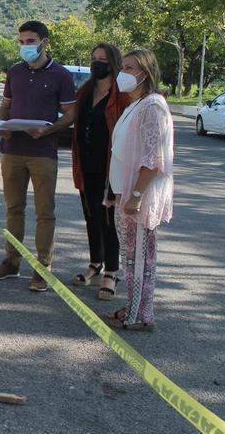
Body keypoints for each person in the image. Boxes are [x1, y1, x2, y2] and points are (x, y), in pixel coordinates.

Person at [0, 21, 77, 291]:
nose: (25, 46)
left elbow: (71, 114)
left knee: (44, 212)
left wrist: (49, 130)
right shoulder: (14, 73)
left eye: (30, 41)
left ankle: (43, 266)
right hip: (13, 151)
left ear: (44, 42)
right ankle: (11, 262)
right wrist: (3, 126)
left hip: (43, 153)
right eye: (22, 41)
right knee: (14, 209)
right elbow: (5, 108)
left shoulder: (61, 75)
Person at [104, 48, 173, 331]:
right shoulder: (136, 104)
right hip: (125, 194)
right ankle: (134, 308)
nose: (123, 73)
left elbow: (153, 159)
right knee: (131, 259)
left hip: (138, 198)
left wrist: (135, 196)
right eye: (123, 67)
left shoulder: (153, 106)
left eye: (130, 68)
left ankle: (140, 317)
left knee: (140, 259)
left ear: (144, 73)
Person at [69, 43, 130, 301]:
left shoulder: (122, 94)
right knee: (91, 215)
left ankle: (112, 271)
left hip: (109, 167)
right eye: (94, 58)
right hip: (85, 164)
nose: (97, 63)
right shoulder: (85, 91)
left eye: (102, 59)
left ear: (113, 62)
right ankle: (96, 262)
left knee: (109, 219)